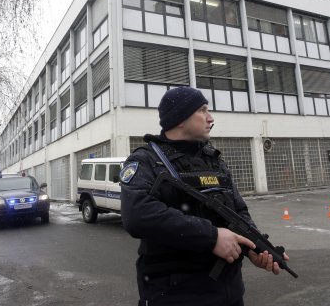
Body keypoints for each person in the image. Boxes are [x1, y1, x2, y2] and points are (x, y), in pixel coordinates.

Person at [120, 87, 289, 306]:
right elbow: (137, 215)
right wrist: (212, 237)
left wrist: (253, 247)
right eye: (202, 110)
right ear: (180, 119)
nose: (210, 118)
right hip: (175, 296)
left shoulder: (213, 159)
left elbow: (238, 211)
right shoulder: (147, 161)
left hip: (229, 294)